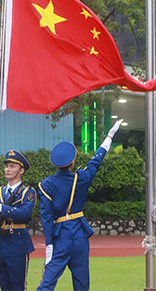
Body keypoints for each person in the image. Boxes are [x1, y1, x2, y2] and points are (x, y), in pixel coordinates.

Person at [37, 119, 123, 291]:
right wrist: (109, 136)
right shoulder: (81, 178)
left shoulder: (46, 185)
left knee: (47, 284)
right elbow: (96, 161)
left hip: (60, 237)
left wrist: (49, 246)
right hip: (80, 236)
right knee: (82, 285)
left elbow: (46, 218)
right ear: (73, 161)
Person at [0, 149, 36, 291]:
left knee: (18, 287)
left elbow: (25, 214)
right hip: (0, 245)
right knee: (4, 287)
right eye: (6, 166)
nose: (7, 169)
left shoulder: (28, 192)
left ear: (21, 170)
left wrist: (1, 207)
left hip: (17, 244)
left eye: (12, 166)